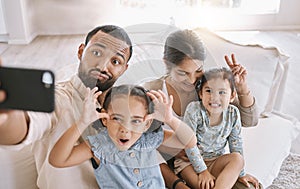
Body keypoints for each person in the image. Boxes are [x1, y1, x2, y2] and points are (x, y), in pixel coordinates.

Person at [0, 25, 133, 189]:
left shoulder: (128, 107)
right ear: (80, 51)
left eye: (115, 61)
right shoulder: (58, 98)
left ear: (124, 69)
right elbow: (26, 125)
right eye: (97, 53)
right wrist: (5, 118)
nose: (103, 67)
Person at [142, 29, 261, 189]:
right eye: (183, 73)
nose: (192, 80)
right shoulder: (150, 91)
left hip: (209, 161)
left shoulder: (208, 88)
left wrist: (241, 87)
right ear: (166, 63)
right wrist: (174, 150)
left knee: (250, 187)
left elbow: (249, 120)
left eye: (198, 70)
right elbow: (138, 141)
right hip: (171, 168)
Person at [49, 85, 198, 188]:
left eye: (136, 121)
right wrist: (82, 122)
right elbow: (57, 160)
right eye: (117, 119)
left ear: (146, 124)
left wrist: (170, 119)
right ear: (105, 120)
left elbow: (190, 141)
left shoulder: (149, 139)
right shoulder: (99, 146)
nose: (125, 129)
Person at [176, 67, 249, 189]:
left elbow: (236, 144)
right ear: (200, 93)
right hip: (189, 163)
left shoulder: (233, 113)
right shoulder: (194, 110)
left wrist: (240, 174)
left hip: (216, 161)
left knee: (238, 159)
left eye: (222, 92)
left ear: (232, 96)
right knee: (206, 186)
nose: (214, 97)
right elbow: (189, 144)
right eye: (209, 91)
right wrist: (203, 171)